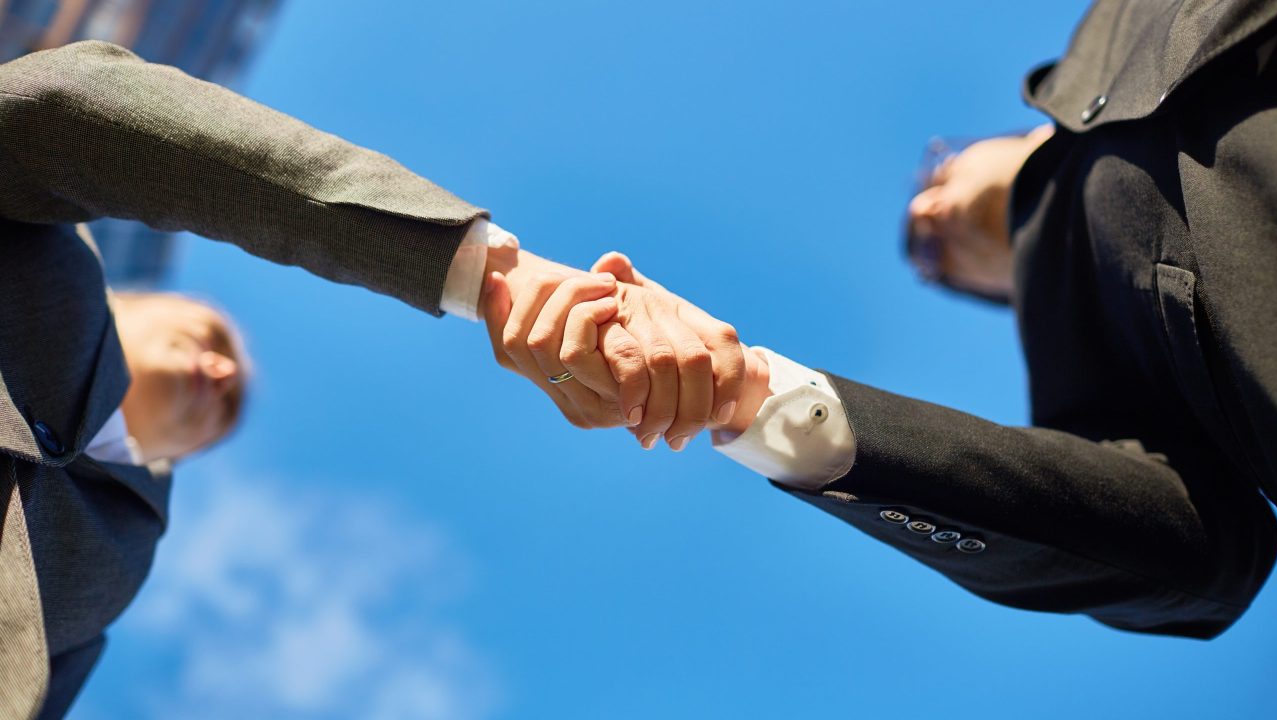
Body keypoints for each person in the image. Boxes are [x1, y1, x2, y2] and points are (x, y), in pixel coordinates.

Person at [0, 40, 748, 719]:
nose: (222, 372)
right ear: (138, 300)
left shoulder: (117, 563)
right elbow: (55, 103)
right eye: (210, 336)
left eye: (227, 408)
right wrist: (499, 279)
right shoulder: (45, 251)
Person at [489, 0, 1277, 641]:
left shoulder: (1121, 24)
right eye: (929, 255)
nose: (926, 209)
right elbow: (1199, 556)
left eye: (935, 173)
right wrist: (755, 397)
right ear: (995, 293)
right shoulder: (1100, 379)